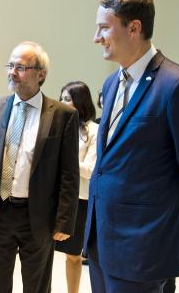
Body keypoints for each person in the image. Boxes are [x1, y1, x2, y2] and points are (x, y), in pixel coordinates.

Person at [83, 0, 179, 293]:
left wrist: (169, 224)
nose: (96, 37)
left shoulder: (176, 85)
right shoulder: (112, 82)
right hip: (101, 241)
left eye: (104, 28)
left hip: (144, 247)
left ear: (134, 28)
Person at [0, 41, 80, 293]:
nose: (12, 72)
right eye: (10, 65)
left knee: (37, 284)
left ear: (41, 74)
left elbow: (69, 174)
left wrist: (65, 220)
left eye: (20, 67)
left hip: (39, 215)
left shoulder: (63, 115)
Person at [57, 81, 98, 293]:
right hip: (53, 197)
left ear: (80, 101)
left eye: (67, 99)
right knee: (42, 251)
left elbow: (90, 170)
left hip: (79, 200)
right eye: (61, 98)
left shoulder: (93, 130)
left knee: (73, 255)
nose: (61, 103)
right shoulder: (57, 126)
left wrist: (65, 158)